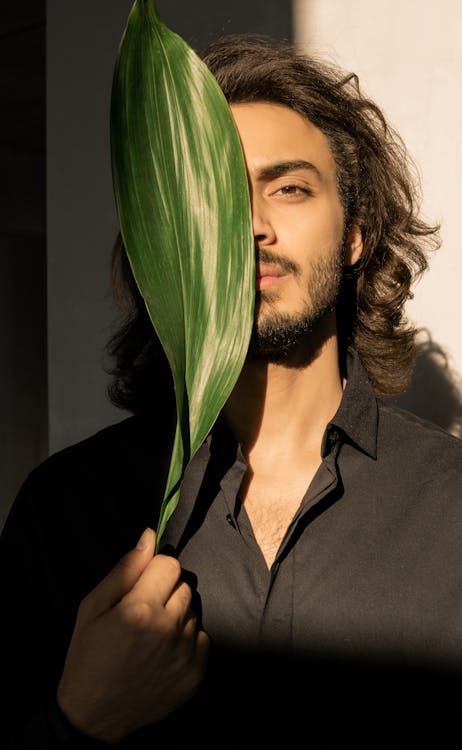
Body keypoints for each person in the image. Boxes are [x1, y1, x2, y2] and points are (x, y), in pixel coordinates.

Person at [1, 33, 462, 749]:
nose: (250, 224)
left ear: (354, 237)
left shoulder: (451, 509)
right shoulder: (66, 512)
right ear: (167, 241)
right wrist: (79, 718)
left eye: (290, 187)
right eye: (214, 197)